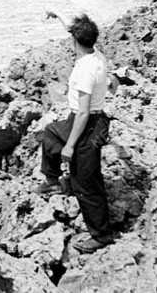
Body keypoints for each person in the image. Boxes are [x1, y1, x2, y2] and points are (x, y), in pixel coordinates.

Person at [38, 13, 113, 252]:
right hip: (82, 119)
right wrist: (57, 16)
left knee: (86, 182)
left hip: (87, 124)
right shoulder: (96, 54)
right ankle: (53, 181)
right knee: (51, 133)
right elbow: (74, 30)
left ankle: (101, 236)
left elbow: (82, 112)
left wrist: (70, 146)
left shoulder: (85, 71)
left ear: (75, 42)